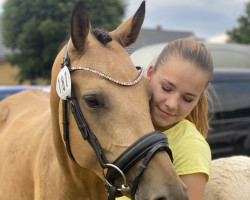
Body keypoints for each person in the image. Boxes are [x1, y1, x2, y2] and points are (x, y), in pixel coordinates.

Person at [118, 38, 214, 200]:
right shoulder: (119, 121)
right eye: (166, 88)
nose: (172, 104)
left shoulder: (191, 148)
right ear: (149, 74)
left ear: (198, 99)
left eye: (188, 99)